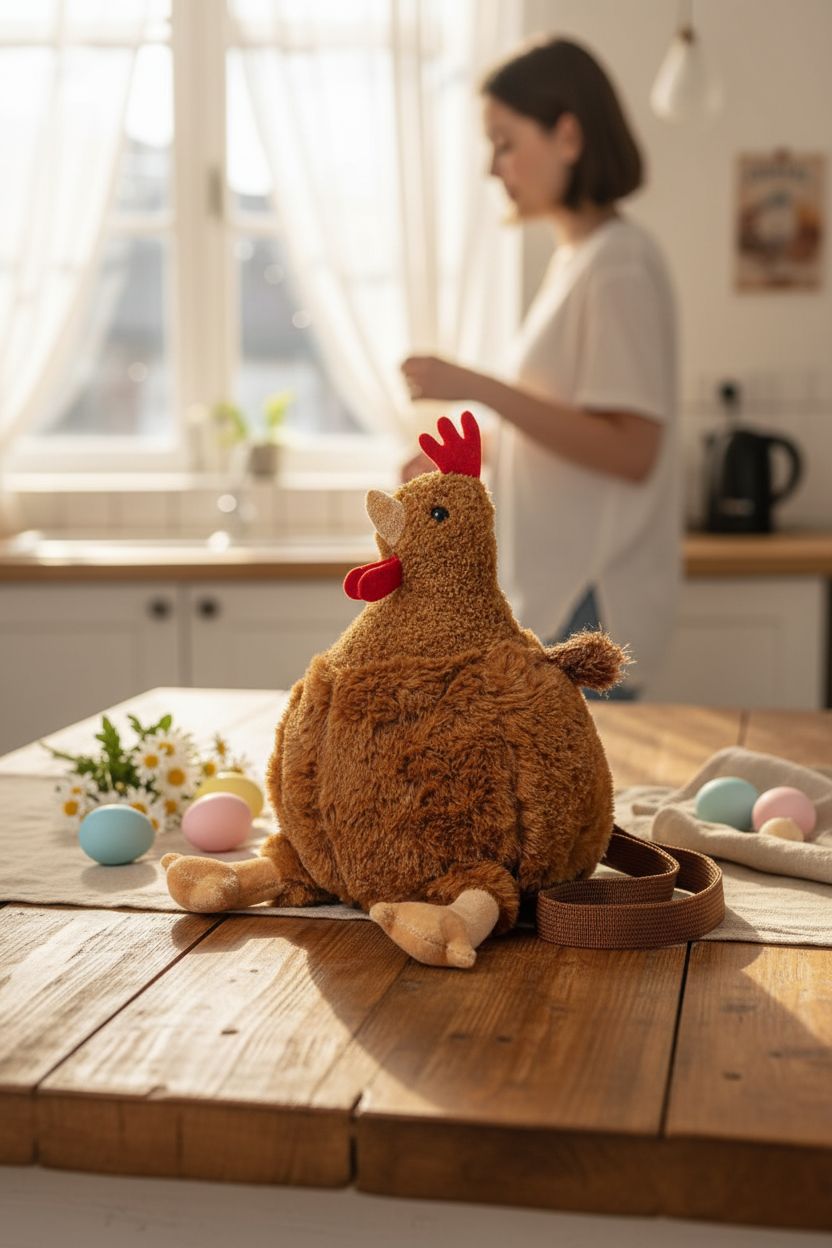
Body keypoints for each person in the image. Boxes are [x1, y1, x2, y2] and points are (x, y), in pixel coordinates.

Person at [400, 37, 680, 699]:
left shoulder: (618, 265)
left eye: (503, 141)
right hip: (568, 589)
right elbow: (572, 431)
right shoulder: (581, 260)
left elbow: (631, 449)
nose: (493, 167)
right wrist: (478, 456)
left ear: (568, 135)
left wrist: (475, 386)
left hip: (592, 594)